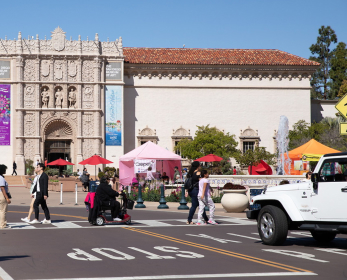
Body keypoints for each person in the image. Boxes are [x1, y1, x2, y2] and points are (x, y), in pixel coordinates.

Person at [0, 164, 11, 229]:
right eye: (4, 169)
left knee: (1, 210)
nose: (5, 171)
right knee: (3, 210)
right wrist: (7, 198)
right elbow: (2, 188)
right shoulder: (1, 178)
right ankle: (2, 224)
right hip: (1, 194)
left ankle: (2, 223)